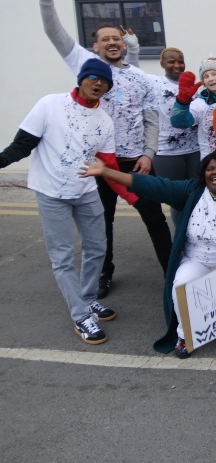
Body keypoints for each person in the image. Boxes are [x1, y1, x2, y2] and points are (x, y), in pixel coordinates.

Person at [37, 0, 172, 298]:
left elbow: (151, 118)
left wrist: (148, 154)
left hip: (135, 163)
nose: (112, 42)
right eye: (105, 39)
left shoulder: (140, 77)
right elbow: (54, 33)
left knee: (155, 220)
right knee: (100, 226)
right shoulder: (85, 63)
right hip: (96, 166)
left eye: (117, 38)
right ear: (94, 46)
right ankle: (102, 274)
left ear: (123, 44)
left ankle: (173, 272)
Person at [80, 147, 216, 358]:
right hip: (196, 259)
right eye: (209, 168)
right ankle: (184, 336)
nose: (214, 172)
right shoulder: (192, 191)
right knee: (181, 284)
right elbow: (153, 185)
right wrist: (106, 172)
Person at [0, 60, 131, 344]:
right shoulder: (50, 104)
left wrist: (133, 195)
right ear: (82, 79)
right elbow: (23, 143)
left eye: (105, 82)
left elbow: (107, 163)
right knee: (62, 257)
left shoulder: (104, 121)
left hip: (85, 190)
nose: (99, 84)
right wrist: (2, 160)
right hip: (50, 192)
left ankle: (87, 298)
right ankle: (81, 315)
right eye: (94, 78)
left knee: (98, 247)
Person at [148, 47, 201, 223]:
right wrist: (132, 48)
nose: (177, 65)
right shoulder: (154, 82)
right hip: (166, 152)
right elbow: (132, 72)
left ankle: (193, 235)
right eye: (171, 62)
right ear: (162, 64)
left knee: (195, 195)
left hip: (195, 150)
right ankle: (180, 236)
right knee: (178, 200)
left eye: (180, 61)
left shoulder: (196, 87)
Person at [171, 57, 216, 159]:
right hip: (210, 160)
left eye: (214, 74)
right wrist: (182, 101)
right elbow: (179, 123)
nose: (211, 79)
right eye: (206, 76)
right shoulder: (200, 103)